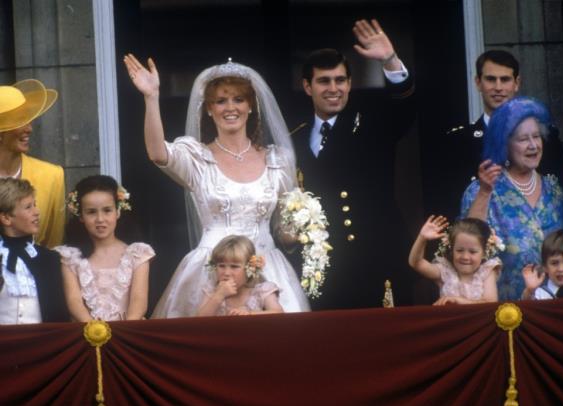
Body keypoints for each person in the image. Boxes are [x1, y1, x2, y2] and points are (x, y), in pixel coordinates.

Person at [123, 54, 310, 317]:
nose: (230, 108)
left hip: (267, 264)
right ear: (209, 109)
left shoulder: (279, 160)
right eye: (220, 101)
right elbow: (157, 153)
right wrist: (151, 97)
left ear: (251, 105)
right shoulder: (197, 158)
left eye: (238, 99)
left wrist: (305, 228)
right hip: (210, 268)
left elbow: (285, 231)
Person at [292, 19, 415, 309]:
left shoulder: (371, 122)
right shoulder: (294, 137)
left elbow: (404, 108)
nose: (334, 88)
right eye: (324, 81)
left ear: (349, 83)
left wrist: (390, 60)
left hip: (376, 257)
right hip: (324, 267)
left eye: (340, 80)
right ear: (307, 86)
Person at [433, 50, 563, 219]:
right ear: (478, 83)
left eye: (505, 80)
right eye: (490, 79)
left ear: (516, 83)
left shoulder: (545, 137)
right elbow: (448, 204)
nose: (498, 87)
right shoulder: (458, 142)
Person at [461, 97, 563, 301]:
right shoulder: (481, 190)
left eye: (536, 136)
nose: (533, 145)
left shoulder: (555, 191)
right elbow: (468, 242)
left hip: (553, 307)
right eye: (523, 139)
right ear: (504, 145)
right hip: (503, 312)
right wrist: (484, 192)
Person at [54, 175, 154, 322]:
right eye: (91, 212)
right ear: (80, 216)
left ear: (118, 211)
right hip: (86, 332)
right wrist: (95, 331)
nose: (100, 219)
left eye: (107, 210)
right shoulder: (70, 257)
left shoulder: (137, 253)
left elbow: (139, 300)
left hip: (129, 331)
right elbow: (74, 301)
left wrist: (125, 331)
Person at [0, 79, 65, 248]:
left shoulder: (52, 176)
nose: (29, 129)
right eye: (21, 121)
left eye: (28, 121)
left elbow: (53, 243)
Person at [0, 178, 69, 324]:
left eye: (35, 205)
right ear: (6, 218)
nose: (37, 212)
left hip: (41, 344)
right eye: (28, 207)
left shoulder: (49, 259)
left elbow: (59, 314)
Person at [408, 216, 502, 305]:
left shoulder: (486, 271)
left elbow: (490, 302)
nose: (465, 256)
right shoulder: (445, 271)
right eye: (459, 250)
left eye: (472, 252)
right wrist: (422, 238)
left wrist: (459, 301)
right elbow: (416, 263)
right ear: (452, 250)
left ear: (484, 253)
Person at [197, 235, 284, 316]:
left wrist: (249, 313)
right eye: (221, 266)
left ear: (250, 268)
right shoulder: (212, 290)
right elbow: (199, 320)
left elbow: (279, 313)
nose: (226, 273)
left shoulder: (261, 291)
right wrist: (219, 295)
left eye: (234, 266)